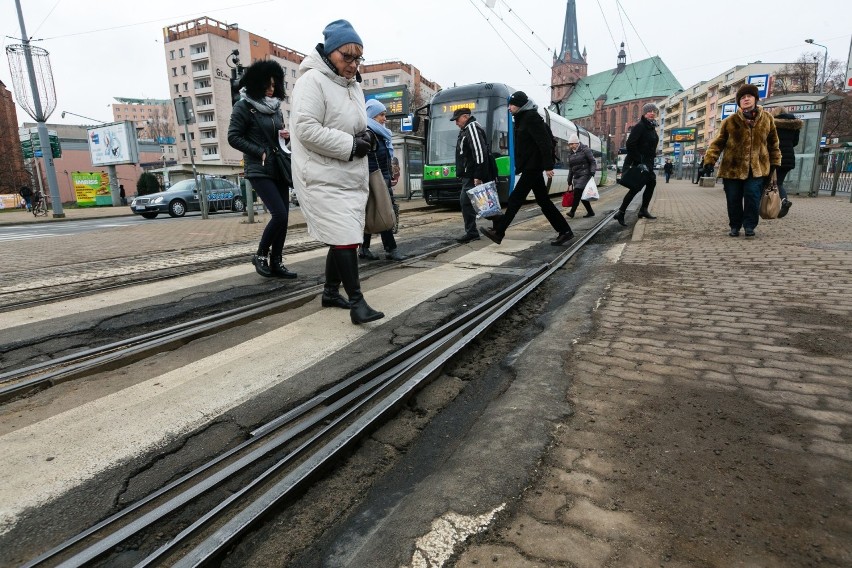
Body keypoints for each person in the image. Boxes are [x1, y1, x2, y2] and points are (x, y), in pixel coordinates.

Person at [291, 19, 383, 325]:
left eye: (358, 58)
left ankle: (331, 292)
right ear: (330, 53)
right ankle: (358, 303)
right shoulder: (311, 81)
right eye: (347, 57)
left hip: (347, 172)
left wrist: (366, 136)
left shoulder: (353, 85)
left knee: (344, 235)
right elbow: (305, 130)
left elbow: (356, 123)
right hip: (319, 174)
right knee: (345, 235)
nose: (353, 64)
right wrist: (351, 145)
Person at [228, 59, 297, 279]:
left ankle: (276, 261)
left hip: (279, 168)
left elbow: (276, 133)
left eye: (274, 84)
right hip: (259, 168)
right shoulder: (243, 106)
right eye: (267, 84)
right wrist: (260, 152)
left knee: (284, 217)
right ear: (256, 83)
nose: (271, 88)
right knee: (278, 215)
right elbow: (233, 136)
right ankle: (260, 255)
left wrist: (285, 135)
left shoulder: (275, 108)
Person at [480, 91, 573, 246]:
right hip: (531, 166)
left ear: (520, 105)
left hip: (533, 166)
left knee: (516, 198)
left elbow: (545, 143)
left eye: (512, 104)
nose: (509, 108)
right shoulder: (522, 119)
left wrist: (548, 165)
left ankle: (499, 230)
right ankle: (565, 231)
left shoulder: (532, 118)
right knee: (544, 201)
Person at [700, 83, 780, 238]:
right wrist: (709, 161)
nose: (746, 99)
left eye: (749, 96)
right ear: (739, 102)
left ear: (756, 99)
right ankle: (735, 226)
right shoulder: (730, 121)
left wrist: (775, 163)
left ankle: (749, 226)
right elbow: (718, 142)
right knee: (733, 199)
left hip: (757, 169)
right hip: (732, 169)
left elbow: (774, 143)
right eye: (742, 98)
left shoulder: (767, 119)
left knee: (752, 197)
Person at [358, 99, 405, 261]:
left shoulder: (379, 133)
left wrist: (389, 175)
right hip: (375, 180)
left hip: (380, 179)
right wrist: (376, 181)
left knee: (371, 212)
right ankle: (391, 249)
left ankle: (364, 248)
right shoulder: (369, 133)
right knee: (383, 212)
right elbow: (365, 159)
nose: (385, 118)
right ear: (371, 115)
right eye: (381, 115)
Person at [451, 107, 494, 243]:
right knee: (482, 202)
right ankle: (497, 225)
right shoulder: (467, 129)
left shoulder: (472, 128)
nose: (456, 123)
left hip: (473, 174)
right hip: (470, 174)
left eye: (457, 120)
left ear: (465, 117)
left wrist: (478, 175)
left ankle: (473, 232)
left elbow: (479, 152)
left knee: (470, 202)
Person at [614, 102, 660, 226]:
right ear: (644, 113)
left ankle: (643, 210)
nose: (651, 113)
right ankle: (621, 212)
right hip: (640, 163)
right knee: (635, 188)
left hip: (648, 164)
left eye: (653, 111)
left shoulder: (651, 127)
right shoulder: (640, 126)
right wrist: (639, 160)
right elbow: (630, 144)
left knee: (651, 184)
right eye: (649, 111)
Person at [768, 106, 802, 218]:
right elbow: (795, 142)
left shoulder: (772, 124)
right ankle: (784, 201)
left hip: (774, 157)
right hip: (789, 159)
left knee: (765, 182)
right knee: (779, 183)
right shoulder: (794, 126)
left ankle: (764, 205)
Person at [565, 133, 596, 218]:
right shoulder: (570, 154)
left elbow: (593, 161)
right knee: (582, 195)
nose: (571, 146)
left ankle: (572, 211)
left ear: (577, 143)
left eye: (572, 144)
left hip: (585, 174)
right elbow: (571, 168)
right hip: (576, 177)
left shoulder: (585, 150)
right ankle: (590, 212)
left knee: (577, 191)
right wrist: (569, 180)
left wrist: (592, 172)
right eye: (570, 144)